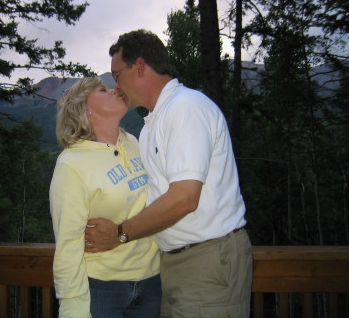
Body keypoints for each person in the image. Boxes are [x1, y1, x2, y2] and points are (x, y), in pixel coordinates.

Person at [84, 30, 253, 318]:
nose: (116, 85)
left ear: (139, 66)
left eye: (117, 74)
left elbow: (184, 198)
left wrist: (119, 235)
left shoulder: (185, 108)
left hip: (207, 262)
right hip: (178, 263)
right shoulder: (153, 124)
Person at [49, 77, 161, 318]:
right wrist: (72, 306)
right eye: (103, 89)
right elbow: (68, 242)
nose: (114, 89)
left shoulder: (132, 142)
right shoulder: (72, 164)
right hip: (102, 287)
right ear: (85, 109)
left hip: (151, 280)